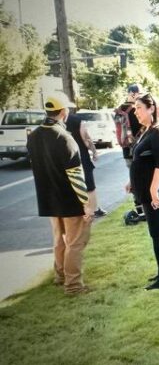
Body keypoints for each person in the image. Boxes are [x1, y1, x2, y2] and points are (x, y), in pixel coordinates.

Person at [27, 93, 94, 296]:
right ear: (63, 112)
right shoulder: (65, 138)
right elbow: (76, 175)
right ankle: (73, 286)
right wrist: (86, 204)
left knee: (58, 240)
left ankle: (60, 276)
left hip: (48, 200)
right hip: (69, 201)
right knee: (75, 243)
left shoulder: (34, 136)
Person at [126, 93, 159, 290]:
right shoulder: (147, 130)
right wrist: (131, 181)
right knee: (157, 233)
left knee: (158, 234)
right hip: (148, 191)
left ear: (151, 108)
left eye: (139, 107)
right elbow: (143, 160)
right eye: (134, 108)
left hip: (158, 193)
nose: (135, 111)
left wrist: (153, 189)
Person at [66, 109, 107, 218]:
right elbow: (86, 138)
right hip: (80, 156)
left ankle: (77, 210)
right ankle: (94, 210)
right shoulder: (77, 120)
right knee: (89, 185)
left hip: (64, 158)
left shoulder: (54, 123)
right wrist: (94, 152)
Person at [115, 83, 145, 222]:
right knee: (145, 178)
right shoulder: (138, 108)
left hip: (127, 150)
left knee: (133, 178)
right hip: (141, 149)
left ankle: (139, 209)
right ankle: (146, 208)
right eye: (138, 93)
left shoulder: (119, 109)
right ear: (134, 93)